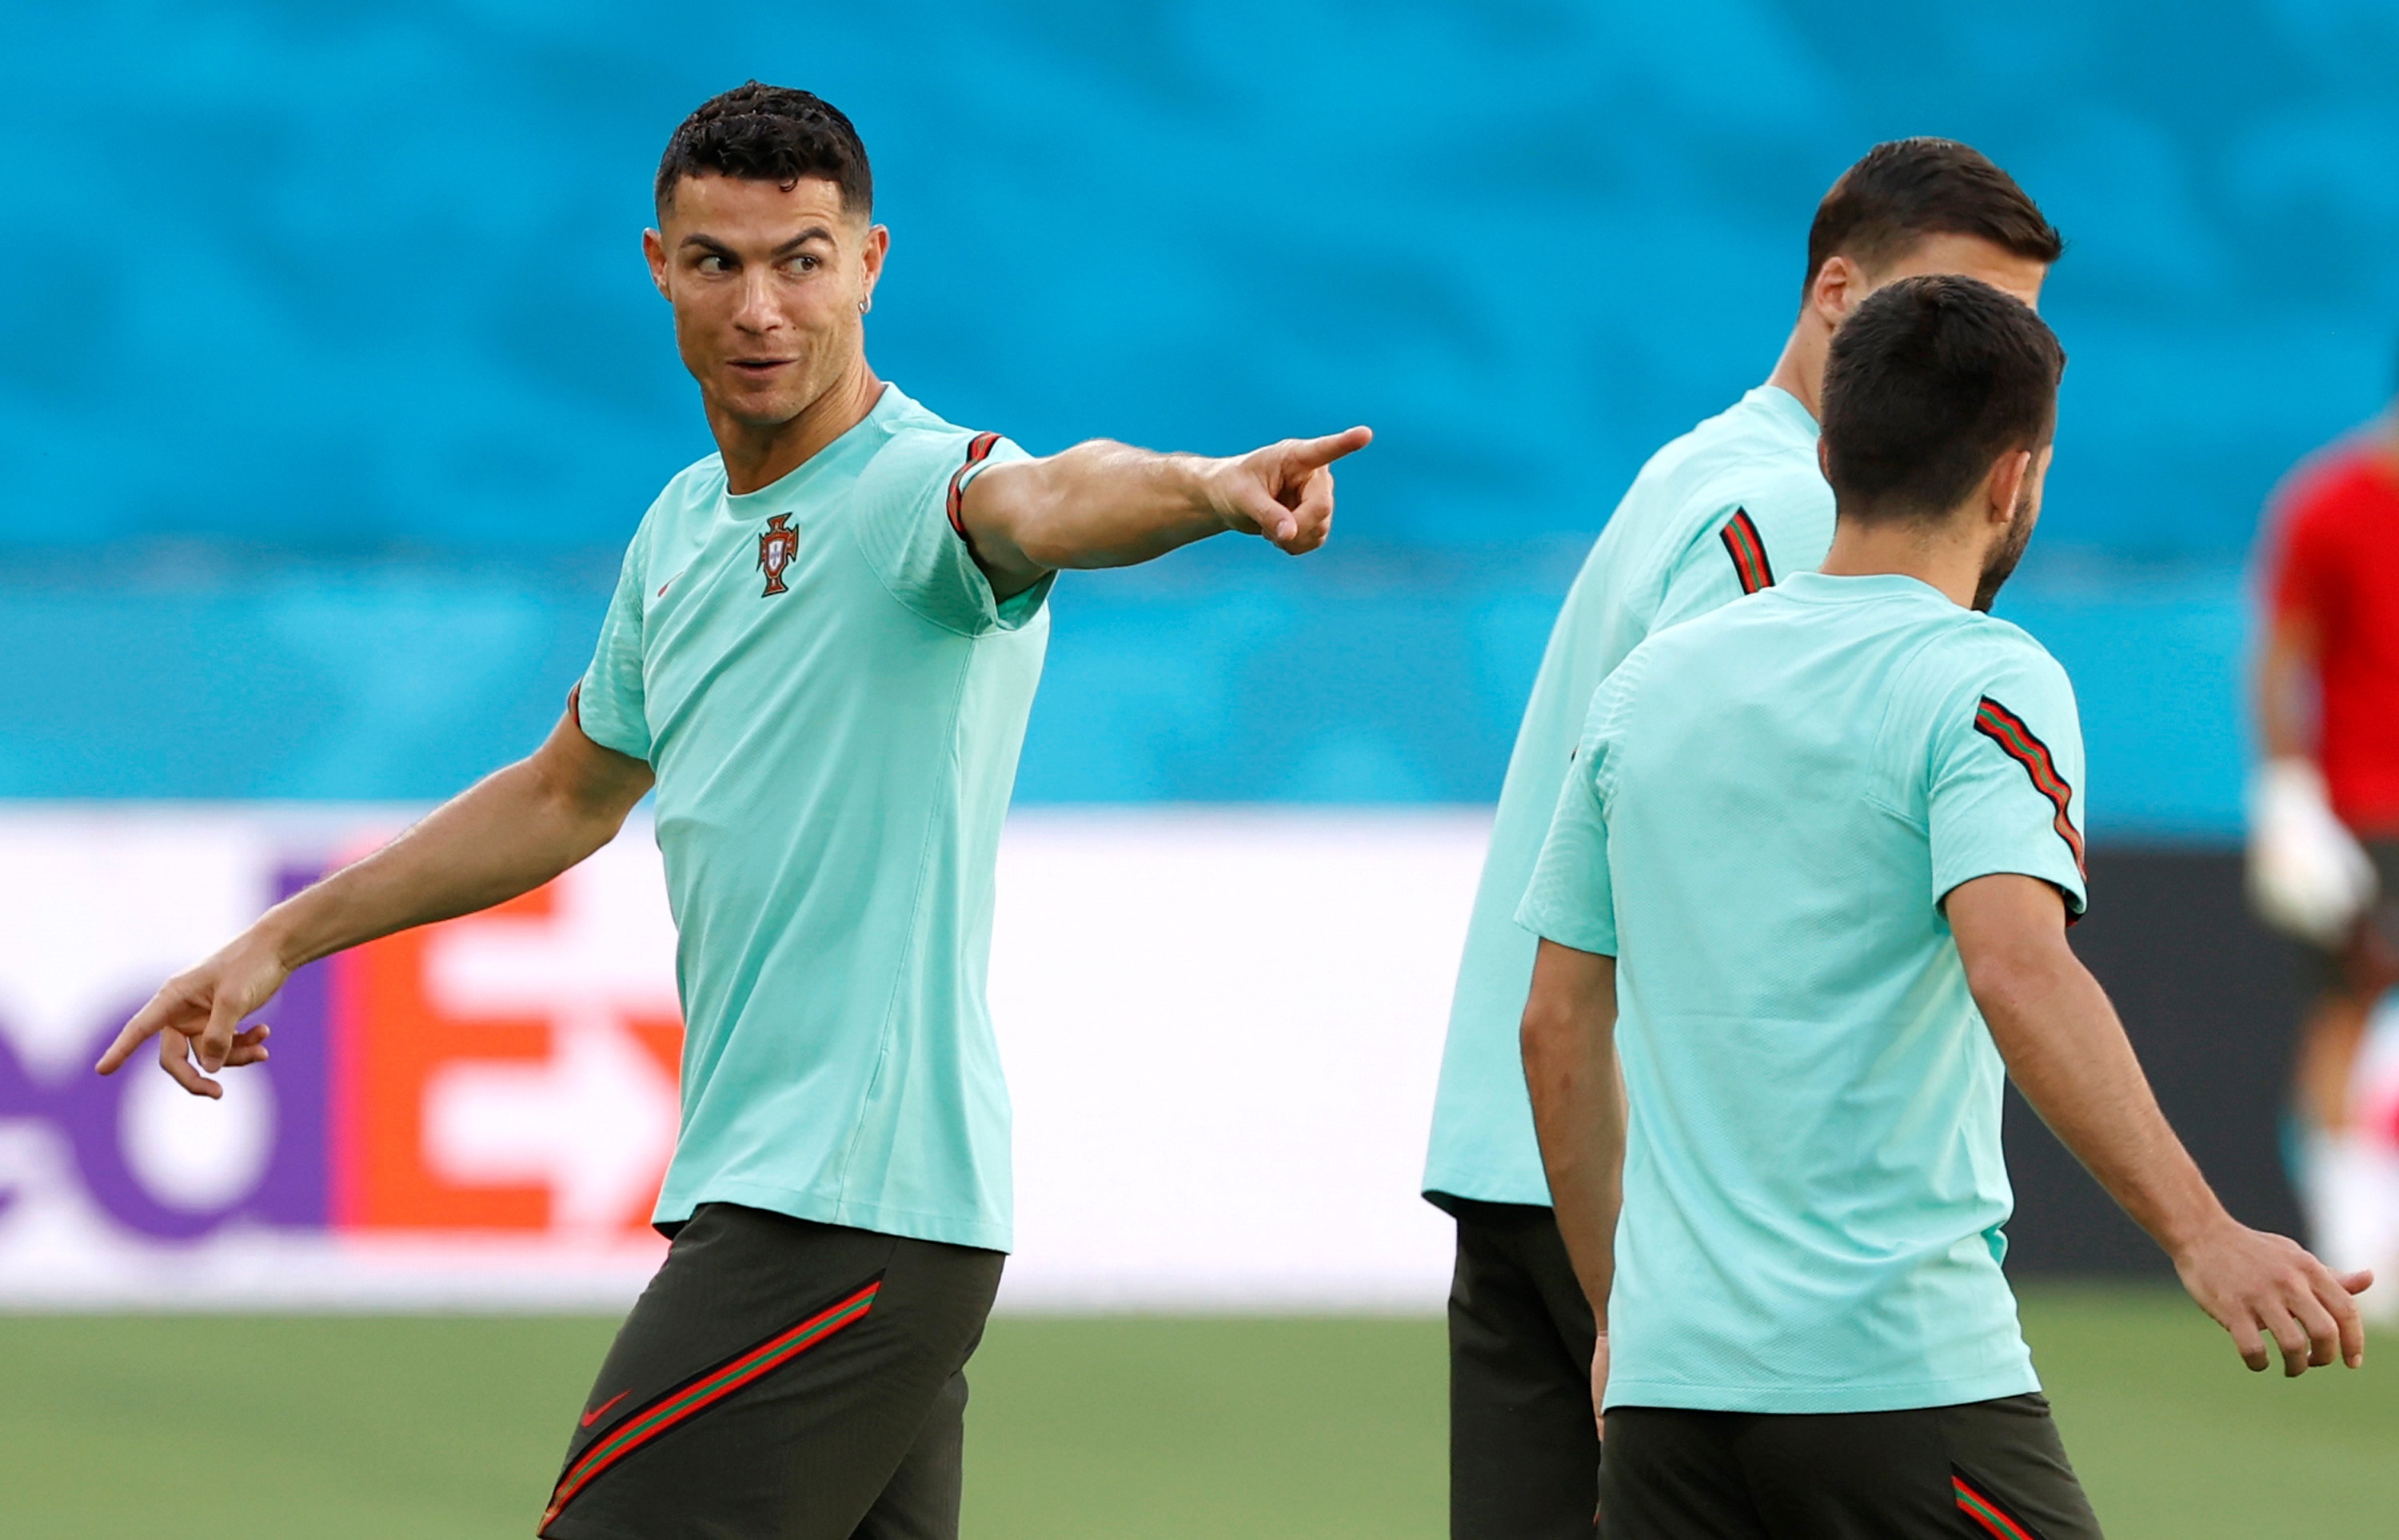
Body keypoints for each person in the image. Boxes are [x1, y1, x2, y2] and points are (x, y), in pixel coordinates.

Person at [97, 83, 1369, 1540]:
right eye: (719, 263)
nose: (761, 306)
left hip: (839, 1209)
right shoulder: (679, 531)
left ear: (871, 263)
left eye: (802, 259)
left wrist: (1209, 487)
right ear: (659, 266)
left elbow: (1053, 501)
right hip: (823, 1207)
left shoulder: (920, 495)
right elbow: (566, 791)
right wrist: (281, 941)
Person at [1516, 274, 2370, 1538]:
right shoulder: (1982, 675)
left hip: (1668, 1400)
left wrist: (1619, 1320)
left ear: (1828, 450)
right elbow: (2018, 968)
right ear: (2015, 476)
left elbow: (1553, 1024)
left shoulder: (1649, 687)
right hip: (1894, 1380)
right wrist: (2202, 1234)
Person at [1419, 138, 2062, 1538]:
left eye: (2014, 329)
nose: (1981, 356)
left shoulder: (1695, 470)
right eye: (1955, 310)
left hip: (1528, 1136)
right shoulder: (1793, 508)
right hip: (1655, 1176)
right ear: (1839, 291)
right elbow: (1735, 828)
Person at [2252, 385, 2399, 1277]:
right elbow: (2280, 658)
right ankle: (2352, 1247)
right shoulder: (2329, 502)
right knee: (2343, 1013)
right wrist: (2289, 794)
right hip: (2361, 815)